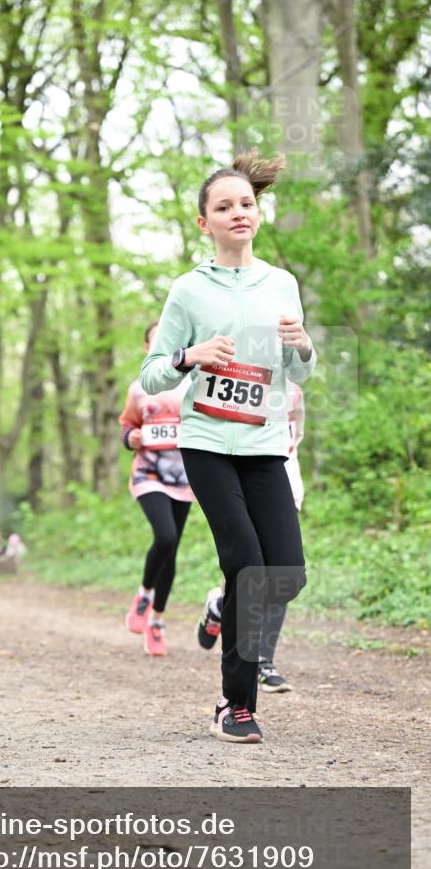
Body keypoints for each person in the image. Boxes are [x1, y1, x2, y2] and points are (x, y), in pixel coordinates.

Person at [140, 148, 316, 743]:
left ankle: (219, 609)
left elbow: (298, 376)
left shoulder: (282, 284)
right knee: (245, 563)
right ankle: (234, 704)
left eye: (246, 203)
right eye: (224, 206)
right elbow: (151, 376)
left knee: (285, 574)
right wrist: (191, 356)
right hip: (209, 442)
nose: (238, 212)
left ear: (257, 212)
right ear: (204, 222)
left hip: (266, 444)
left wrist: (304, 346)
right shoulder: (189, 291)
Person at [200, 380, 307, 693]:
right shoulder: (237, 379)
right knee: (249, 562)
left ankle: (264, 658)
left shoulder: (294, 389)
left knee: (282, 568)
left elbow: (295, 435)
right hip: (245, 479)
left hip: (284, 477)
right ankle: (222, 602)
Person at [119, 322, 194, 657]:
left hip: (185, 479)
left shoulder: (195, 384)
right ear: (147, 348)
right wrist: (130, 438)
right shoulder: (139, 388)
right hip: (148, 474)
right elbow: (128, 424)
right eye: (158, 339)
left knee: (172, 548)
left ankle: (157, 622)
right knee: (164, 536)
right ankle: (144, 594)